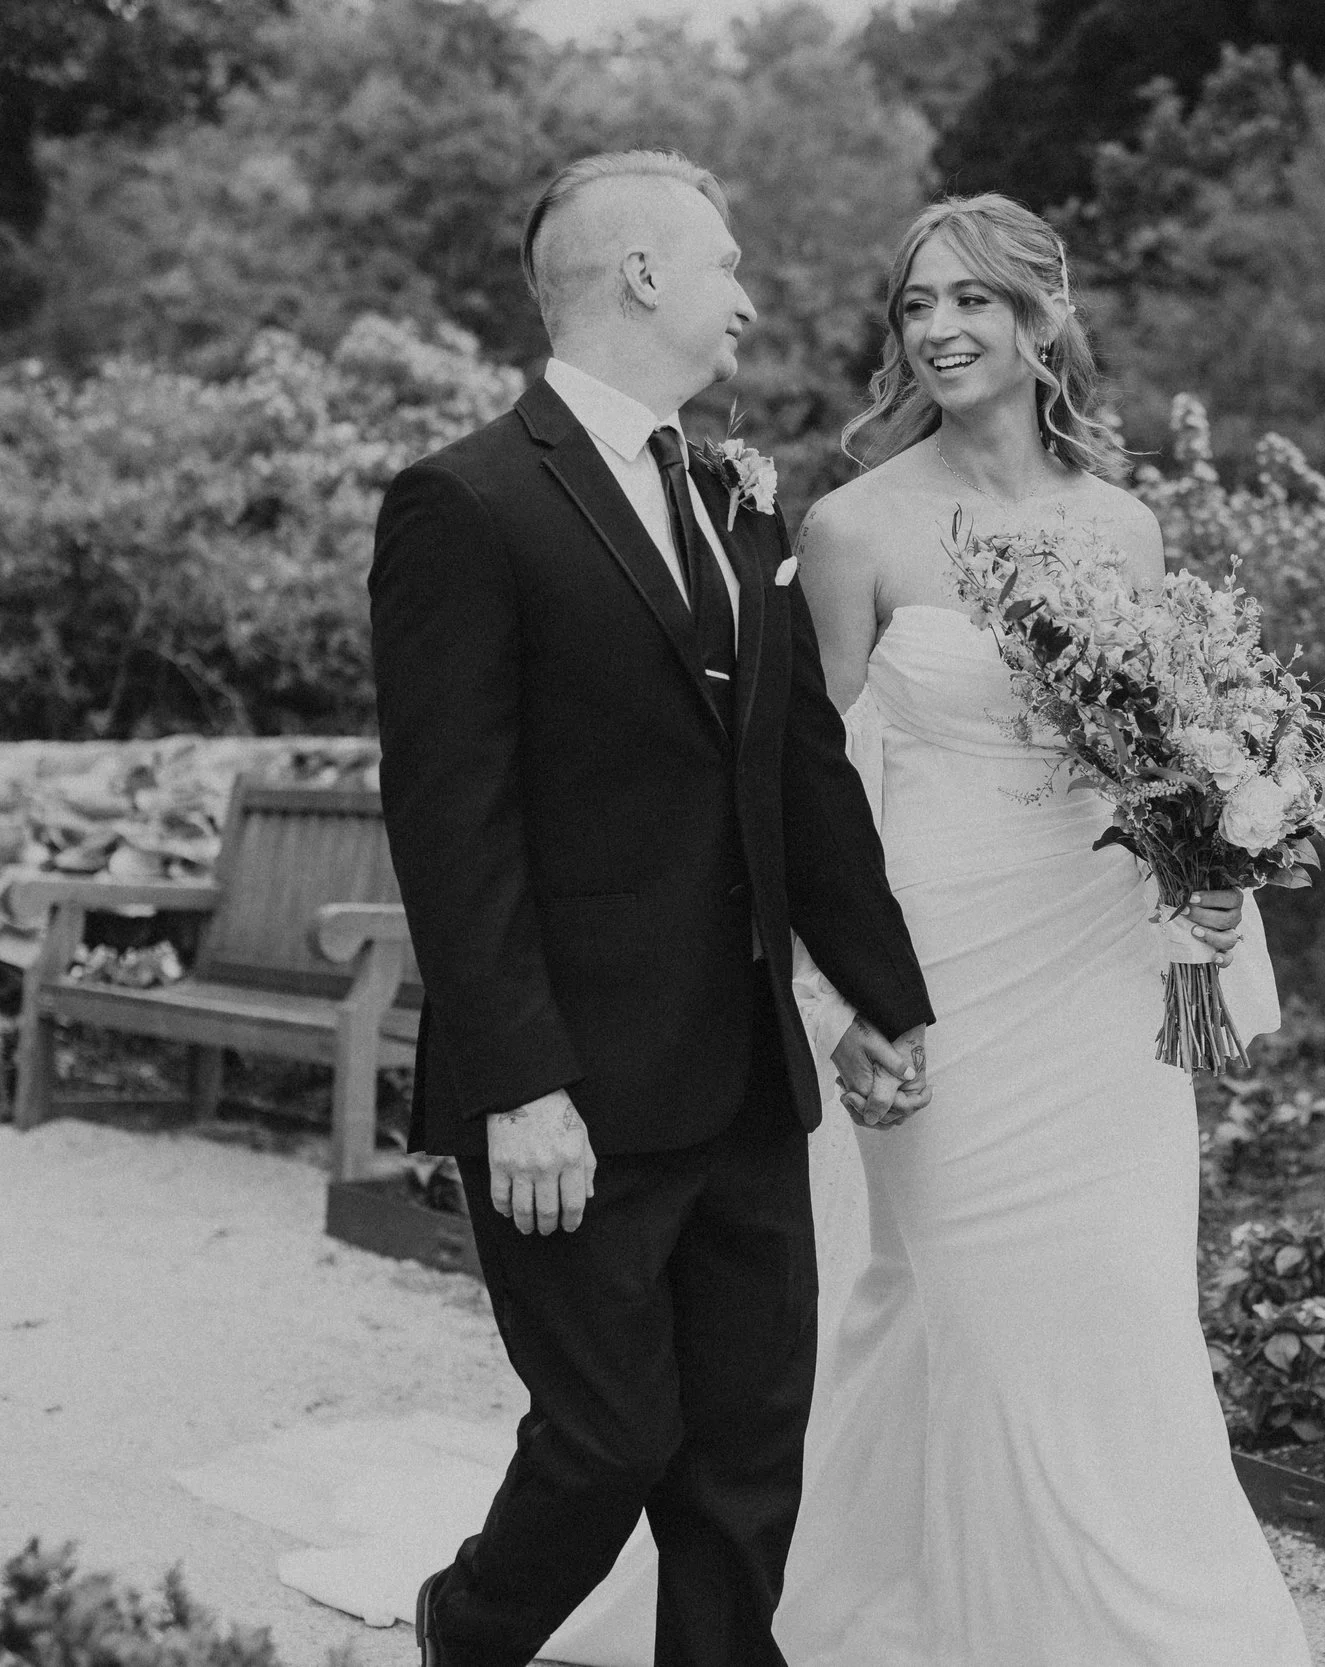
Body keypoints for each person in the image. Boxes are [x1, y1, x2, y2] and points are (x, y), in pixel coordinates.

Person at [368, 149, 934, 1667]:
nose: (749, 294)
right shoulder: (464, 504)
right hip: (577, 1092)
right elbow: (451, 825)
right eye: (729, 264)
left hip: (746, 1074)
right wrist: (518, 1084)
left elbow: (795, 771)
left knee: (745, 1457)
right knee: (612, 1438)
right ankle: (467, 1627)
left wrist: (885, 993)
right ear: (640, 276)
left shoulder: (734, 500)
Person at [771, 191, 1312, 1665]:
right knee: (962, 1297)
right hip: (937, 965)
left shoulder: (1120, 524)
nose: (938, 329)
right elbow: (810, 797)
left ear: (1040, 320)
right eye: (914, 308)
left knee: (1122, 1295)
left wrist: (1214, 870)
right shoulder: (851, 527)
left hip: (1096, 975)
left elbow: (1165, 759)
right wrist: (841, 1003)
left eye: (969, 302)